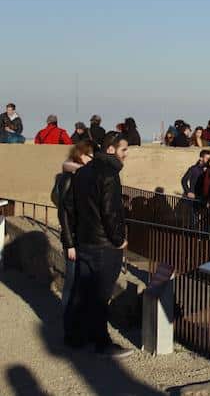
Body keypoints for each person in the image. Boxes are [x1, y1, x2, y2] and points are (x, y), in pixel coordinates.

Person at [64, 131, 133, 358]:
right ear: (111, 150)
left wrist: (72, 240)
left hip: (85, 242)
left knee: (82, 292)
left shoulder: (82, 173)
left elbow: (70, 208)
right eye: (124, 150)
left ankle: (74, 337)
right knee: (101, 296)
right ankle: (101, 343)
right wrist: (119, 239)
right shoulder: (110, 175)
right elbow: (110, 212)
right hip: (105, 245)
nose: (126, 155)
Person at [52, 140, 95, 312]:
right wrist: (69, 243)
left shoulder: (78, 175)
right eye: (91, 156)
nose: (93, 159)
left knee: (80, 281)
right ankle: (68, 319)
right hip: (74, 238)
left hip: (82, 236)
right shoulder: (70, 178)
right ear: (82, 155)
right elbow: (64, 212)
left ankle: (74, 318)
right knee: (72, 280)